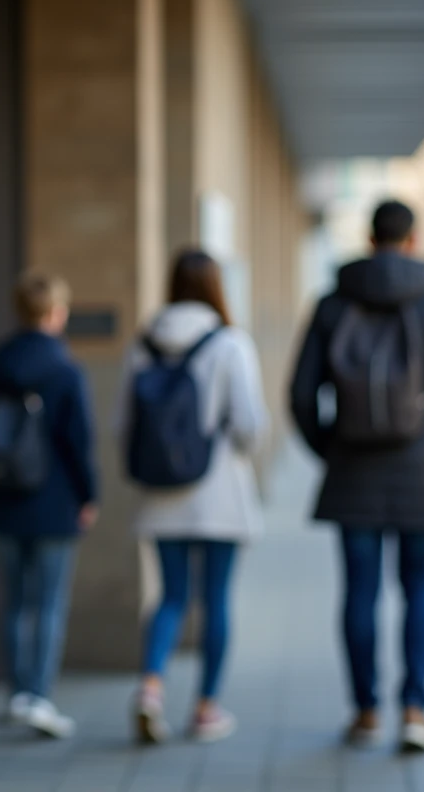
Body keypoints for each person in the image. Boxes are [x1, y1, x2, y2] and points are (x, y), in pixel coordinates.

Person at [290, 200, 424, 754]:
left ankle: (365, 711)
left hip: (353, 469)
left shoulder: (332, 303)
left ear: (369, 238)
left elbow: (302, 395)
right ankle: (416, 709)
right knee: (420, 586)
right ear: (413, 239)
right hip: (423, 467)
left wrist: (330, 447)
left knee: (359, 591)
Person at [117, 250, 270, 744]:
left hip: (162, 496)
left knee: (171, 597)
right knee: (216, 599)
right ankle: (206, 710)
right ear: (215, 288)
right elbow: (250, 426)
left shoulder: (143, 344)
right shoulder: (229, 344)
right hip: (220, 493)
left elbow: (124, 424)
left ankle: (150, 689)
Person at [0, 272, 98, 739]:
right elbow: (79, 442)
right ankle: (39, 696)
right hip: (56, 503)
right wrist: (88, 495)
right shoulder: (65, 367)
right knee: (50, 603)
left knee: (16, 601)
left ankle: (19, 694)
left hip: (6, 501)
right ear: (57, 313)